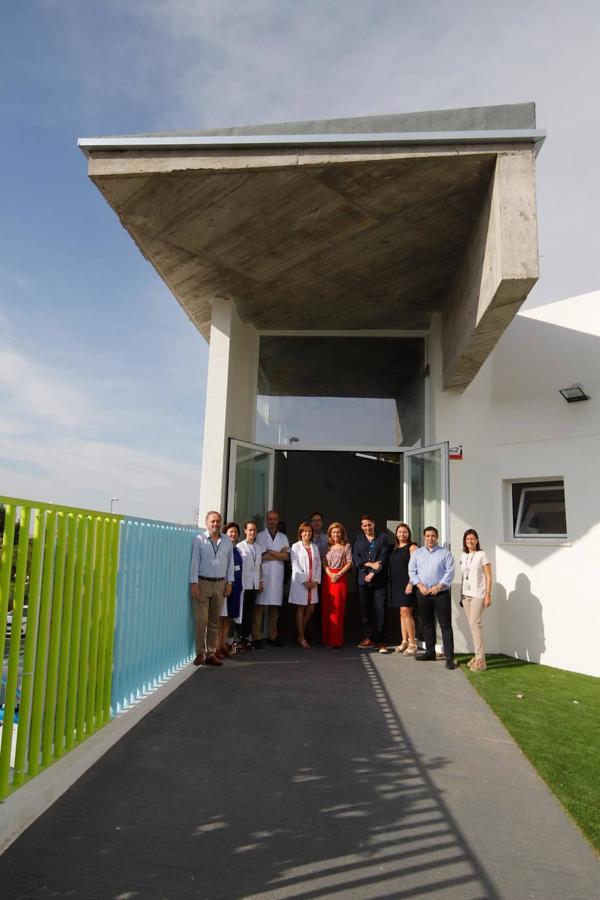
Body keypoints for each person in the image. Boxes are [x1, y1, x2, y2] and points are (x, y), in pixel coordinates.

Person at [189, 511, 234, 667]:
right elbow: (194, 562)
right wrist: (194, 583)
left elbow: (230, 563)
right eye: (213, 521)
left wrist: (230, 583)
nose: (216, 524)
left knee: (215, 621)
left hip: (220, 584)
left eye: (218, 521)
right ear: (207, 523)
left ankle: (211, 653)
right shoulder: (199, 540)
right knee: (202, 620)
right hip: (203, 583)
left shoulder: (227, 541)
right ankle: (200, 653)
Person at [408, 526, 456, 669]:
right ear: (424, 537)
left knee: (445, 625)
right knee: (427, 623)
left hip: (440, 593)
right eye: (428, 536)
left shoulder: (445, 553)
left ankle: (449, 658)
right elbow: (412, 570)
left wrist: (438, 587)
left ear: (437, 537)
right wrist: (420, 586)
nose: (430, 538)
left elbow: (450, 572)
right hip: (423, 592)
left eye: (433, 536)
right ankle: (430, 652)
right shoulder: (417, 553)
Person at [353, 514, 390, 653]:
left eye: (370, 524)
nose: (367, 527)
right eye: (365, 525)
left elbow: (383, 558)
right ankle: (368, 637)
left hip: (379, 581)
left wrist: (372, 573)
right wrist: (368, 564)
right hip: (363, 581)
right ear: (362, 527)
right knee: (365, 610)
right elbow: (356, 558)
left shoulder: (383, 538)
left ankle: (381, 641)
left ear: (374, 524)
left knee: (380, 610)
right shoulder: (358, 539)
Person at [255, 510, 290, 647]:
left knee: (275, 608)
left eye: (275, 519)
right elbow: (260, 556)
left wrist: (269, 551)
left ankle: (272, 636)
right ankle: (256, 637)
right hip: (264, 574)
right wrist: (278, 554)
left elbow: (287, 557)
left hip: (277, 576)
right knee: (260, 608)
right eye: (270, 519)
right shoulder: (259, 536)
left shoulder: (283, 537)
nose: (272, 521)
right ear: (266, 520)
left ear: (278, 520)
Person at [460, 529, 492, 672]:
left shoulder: (482, 555)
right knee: (472, 626)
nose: (470, 541)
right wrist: (461, 595)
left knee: (475, 623)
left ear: (477, 540)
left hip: (478, 594)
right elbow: (463, 576)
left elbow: (488, 576)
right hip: (466, 595)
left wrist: (488, 594)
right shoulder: (463, 555)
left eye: (472, 539)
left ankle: (481, 660)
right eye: (467, 539)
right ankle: (477, 656)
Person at [289, 521, 321, 648]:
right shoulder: (295, 546)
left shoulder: (315, 547)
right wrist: (304, 581)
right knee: (301, 608)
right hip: (300, 582)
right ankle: (302, 637)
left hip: (313, 582)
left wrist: (316, 581)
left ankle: (299, 632)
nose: (307, 533)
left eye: (309, 531)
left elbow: (318, 565)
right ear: (301, 533)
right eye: (305, 531)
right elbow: (295, 564)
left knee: (311, 608)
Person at [321, 521, 353, 648]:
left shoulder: (347, 546)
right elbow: (324, 562)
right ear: (330, 533)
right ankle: (326, 639)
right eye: (333, 532)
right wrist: (330, 574)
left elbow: (349, 562)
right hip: (328, 579)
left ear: (342, 533)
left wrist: (338, 574)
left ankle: (335, 641)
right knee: (327, 609)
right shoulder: (327, 546)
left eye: (338, 532)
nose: (336, 534)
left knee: (338, 610)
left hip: (340, 579)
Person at [389, 523, 418, 655]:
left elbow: (416, 567)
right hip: (396, 584)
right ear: (396, 534)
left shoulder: (412, 547)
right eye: (400, 532)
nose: (402, 534)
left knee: (407, 612)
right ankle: (404, 641)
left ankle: (413, 643)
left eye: (405, 532)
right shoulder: (394, 548)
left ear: (409, 534)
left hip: (408, 584)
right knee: (402, 613)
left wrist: (411, 583)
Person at [237, 520, 264, 650]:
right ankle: (239, 638)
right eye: (250, 530)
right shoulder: (239, 547)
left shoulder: (259, 548)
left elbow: (259, 566)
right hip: (243, 583)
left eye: (254, 530)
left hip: (254, 584)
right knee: (241, 612)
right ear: (245, 531)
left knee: (249, 612)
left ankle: (246, 638)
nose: (252, 532)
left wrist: (260, 581)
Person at [218, 522, 244, 656]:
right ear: (225, 533)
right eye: (230, 532)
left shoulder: (236, 549)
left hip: (235, 589)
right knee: (220, 618)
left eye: (235, 532)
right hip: (225, 587)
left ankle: (223, 645)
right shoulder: (223, 548)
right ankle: (217, 648)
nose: (233, 534)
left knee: (227, 618)